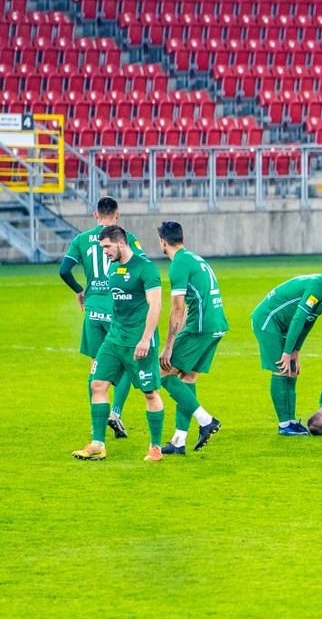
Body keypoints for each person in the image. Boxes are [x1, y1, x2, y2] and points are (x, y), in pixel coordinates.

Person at [71, 225, 167, 462]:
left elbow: (155, 305)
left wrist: (145, 338)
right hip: (114, 340)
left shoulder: (146, 269)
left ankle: (155, 448)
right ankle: (97, 444)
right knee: (97, 385)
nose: (104, 252)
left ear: (120, 242)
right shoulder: (113, 269)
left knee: (150, 393)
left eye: (106, 247)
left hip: (139, 343)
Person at [58, 196, 142, 440]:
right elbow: (139, 264)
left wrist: (79, 290)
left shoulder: (81, 239)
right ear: (117, 215)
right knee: (128, 361)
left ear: (96, 214)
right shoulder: (125, 238)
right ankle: (115, 412)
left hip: (93, 309)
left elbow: (63, 270)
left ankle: (96, 421)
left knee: (96, 363)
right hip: (118, 307)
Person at [251, 271, 322, 435]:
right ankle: (284, 425)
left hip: (282, 325)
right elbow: (298, 318)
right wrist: (286, 352)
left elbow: (308, 322)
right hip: (267, 321)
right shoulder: (317, 286)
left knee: (292, 370)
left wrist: (296, 351)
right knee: (281, 369)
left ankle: (291, 422)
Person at [155, 221, 225, 455]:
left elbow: (177, 309)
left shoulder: (178, 265)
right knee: (187, 378)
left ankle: (206, 421)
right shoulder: (196, 258)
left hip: (201, 327)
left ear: (163, 242)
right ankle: (179, 441)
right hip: (216, 325)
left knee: (162, 373)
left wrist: (168, 346)